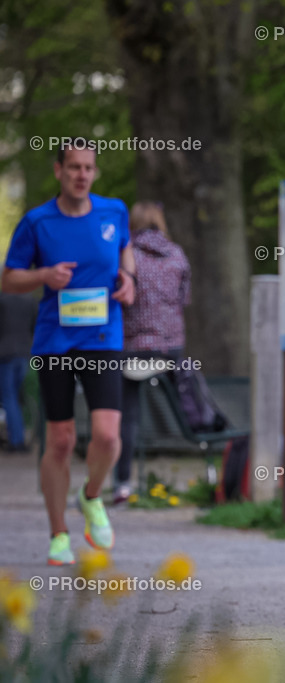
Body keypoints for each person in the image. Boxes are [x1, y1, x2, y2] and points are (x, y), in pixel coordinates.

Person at [2, 139, 135, 566]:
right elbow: (8, 279)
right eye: (74, 167)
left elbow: (125, 250)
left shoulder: (113, 211)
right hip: (55, 340)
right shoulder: (37, 222)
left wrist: (129, 278)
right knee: (59, 440)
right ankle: (58, 534)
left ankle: (91, 496)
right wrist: (43, 275)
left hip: (103, 337)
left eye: (88, 168)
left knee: (108, 436)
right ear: (58, 170)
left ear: (95, 172)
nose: (81, 175)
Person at [114, 201, 191, 504]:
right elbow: (184, 299)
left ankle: (122, 483)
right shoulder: (177, 254)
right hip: (170, 348)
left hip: (133, 347)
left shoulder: (126, 254)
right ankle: (206, 447)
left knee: (127, 417)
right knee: (188, 397)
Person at [0, 292, 37, 453]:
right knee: (15, 398)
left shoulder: (2, 300)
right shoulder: (30, 300)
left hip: (5, 354)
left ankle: (16, 441)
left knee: (9, 399)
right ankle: (18, 437)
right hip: (24, 352)